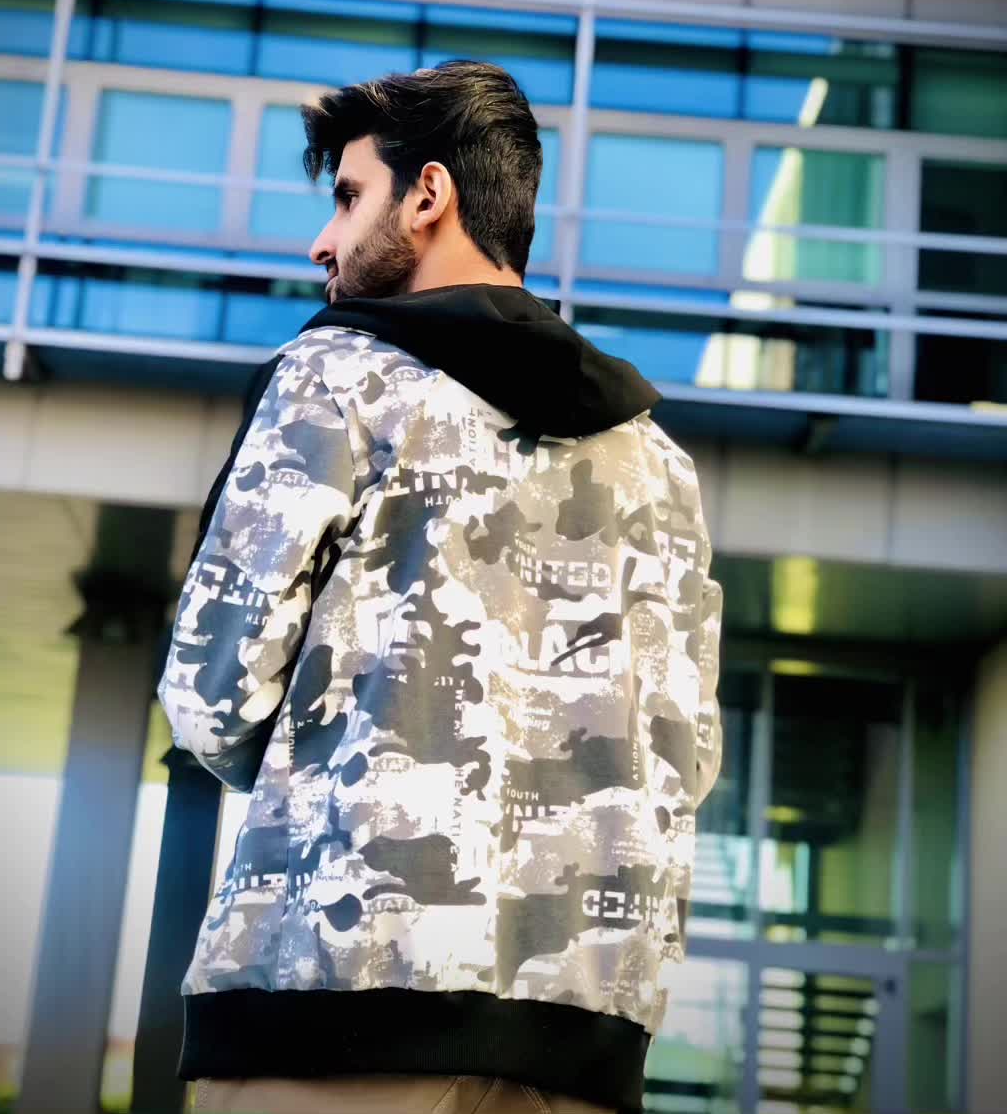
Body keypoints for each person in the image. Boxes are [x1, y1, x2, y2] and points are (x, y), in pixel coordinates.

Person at [157, 60, 723, 1114]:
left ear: (428, 195)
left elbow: (212, 694)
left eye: (347, 197)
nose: (321, 241)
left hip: (334, 1008)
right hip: (579, 1039)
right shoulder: (658, 461)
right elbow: (686, 758)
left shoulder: (336, 378)